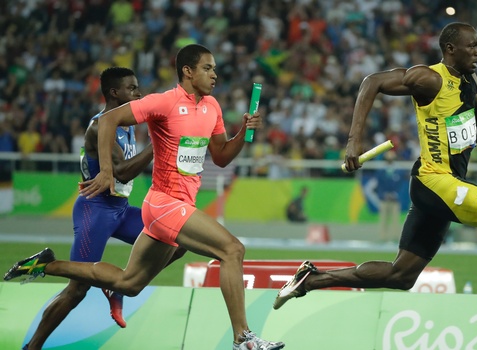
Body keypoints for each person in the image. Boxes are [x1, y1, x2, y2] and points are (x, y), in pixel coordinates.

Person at [272, 22, 477, 344]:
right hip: (434, 180)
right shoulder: (430, 78)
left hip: (446, 184)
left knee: (401, 275)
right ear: (450, 49)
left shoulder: (469, 81)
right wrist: (352, 143)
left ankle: (310, 280)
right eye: (472, 46)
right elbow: (371, 82)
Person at [4, 44, 284, 350]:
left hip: (170, 206)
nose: (215, 74)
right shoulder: (163, 102)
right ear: (187, 72)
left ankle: (45, 265)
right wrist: (108, 172)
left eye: (215, 68)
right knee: (232, 250)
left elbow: (220, 157)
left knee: (129, 283)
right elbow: (107, 121)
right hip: (163, 203)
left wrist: (243, 132)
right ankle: (243, 338)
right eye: (208, 68)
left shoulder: (212, 107)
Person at [21, 67, 187, 350]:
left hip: (121, 210)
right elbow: (121, 172)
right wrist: (160, 145)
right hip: (95, 210)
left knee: (179, 239)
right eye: (132, 88)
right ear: (114, 93)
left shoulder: (128, 123)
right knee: (77, 290)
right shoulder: (100, 126)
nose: (139, 93)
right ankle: (32, 344)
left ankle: (118, 284)